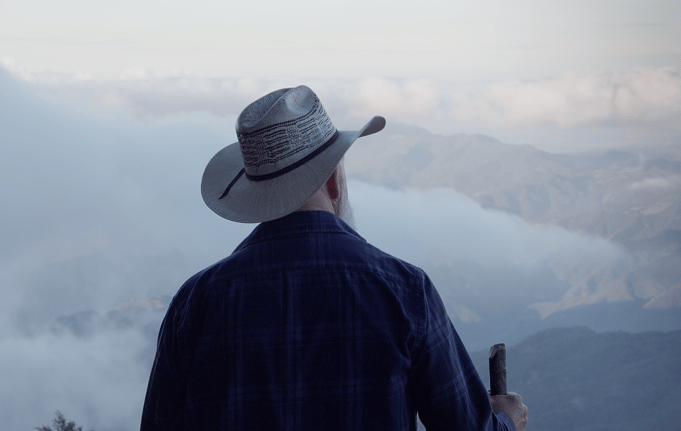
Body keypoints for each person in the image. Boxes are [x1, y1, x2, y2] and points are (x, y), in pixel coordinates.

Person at [140, 85, 528, 431]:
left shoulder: (197, 301)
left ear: (257, 195)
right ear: (332, 180)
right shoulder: (406, 290)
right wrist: (507, 420)